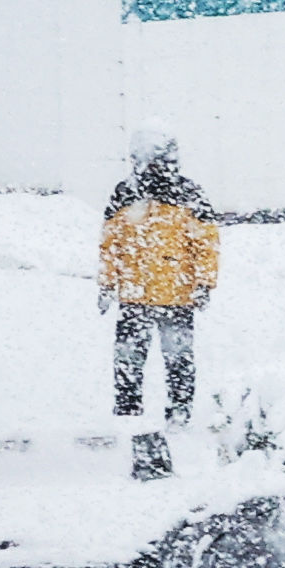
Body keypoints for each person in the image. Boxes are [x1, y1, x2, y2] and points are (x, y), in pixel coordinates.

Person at [100, 130, 221, 421]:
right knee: (128, 361)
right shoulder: (124, 193)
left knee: (178, 361)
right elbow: (110, 244)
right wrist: (107, 283)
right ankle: (128, 415)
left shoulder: (189, 194)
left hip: (176, 296)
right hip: (136, 296)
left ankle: (179, 414)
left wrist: (204, 283)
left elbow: (206, 242)